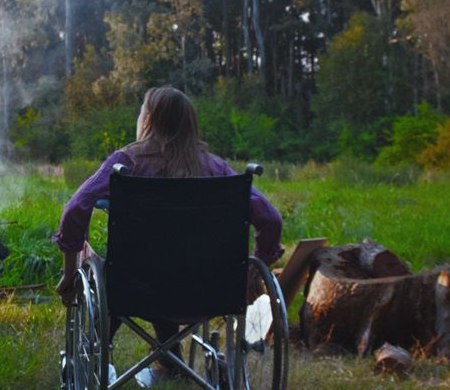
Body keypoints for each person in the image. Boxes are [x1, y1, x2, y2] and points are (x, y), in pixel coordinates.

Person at [52, 86, 284, 379]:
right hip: (210, 290)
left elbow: (76, 209)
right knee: (169, 268)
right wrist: (252, 271)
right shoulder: (216, 169)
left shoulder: (127, 163)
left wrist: (70, 271)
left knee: (115, 273)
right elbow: (271, 219)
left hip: (135, 289)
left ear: (147, 121)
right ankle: (169, 363)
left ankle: (99, 355)